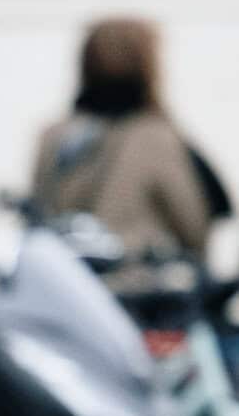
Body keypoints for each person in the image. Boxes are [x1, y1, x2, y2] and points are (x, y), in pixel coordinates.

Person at [31, 17, 212, 258]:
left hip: (70, 286)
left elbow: (38, 219)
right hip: (138, 285)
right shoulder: (157, 137)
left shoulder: (54, 136)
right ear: (148, 66)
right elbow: (193, 228)